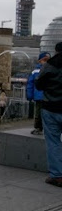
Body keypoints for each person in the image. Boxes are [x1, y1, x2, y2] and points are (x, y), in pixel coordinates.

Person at [34, 41, 62, 188]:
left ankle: (57, 176)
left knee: (53, 142)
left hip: (51, 108)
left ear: (56, 51)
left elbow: (38, 84)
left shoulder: (49, 65)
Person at [27, 52, 51, 135]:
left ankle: (40, 128)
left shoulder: (38, 71)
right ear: (40, 60)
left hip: (46, 96)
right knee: (39, 113)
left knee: (45, 113)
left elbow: (30, 84)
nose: (46, 62)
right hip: (43, 96)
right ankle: (38, 127)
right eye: (44, 60)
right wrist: (30, 95)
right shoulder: (36, 71)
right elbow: (30, 84)